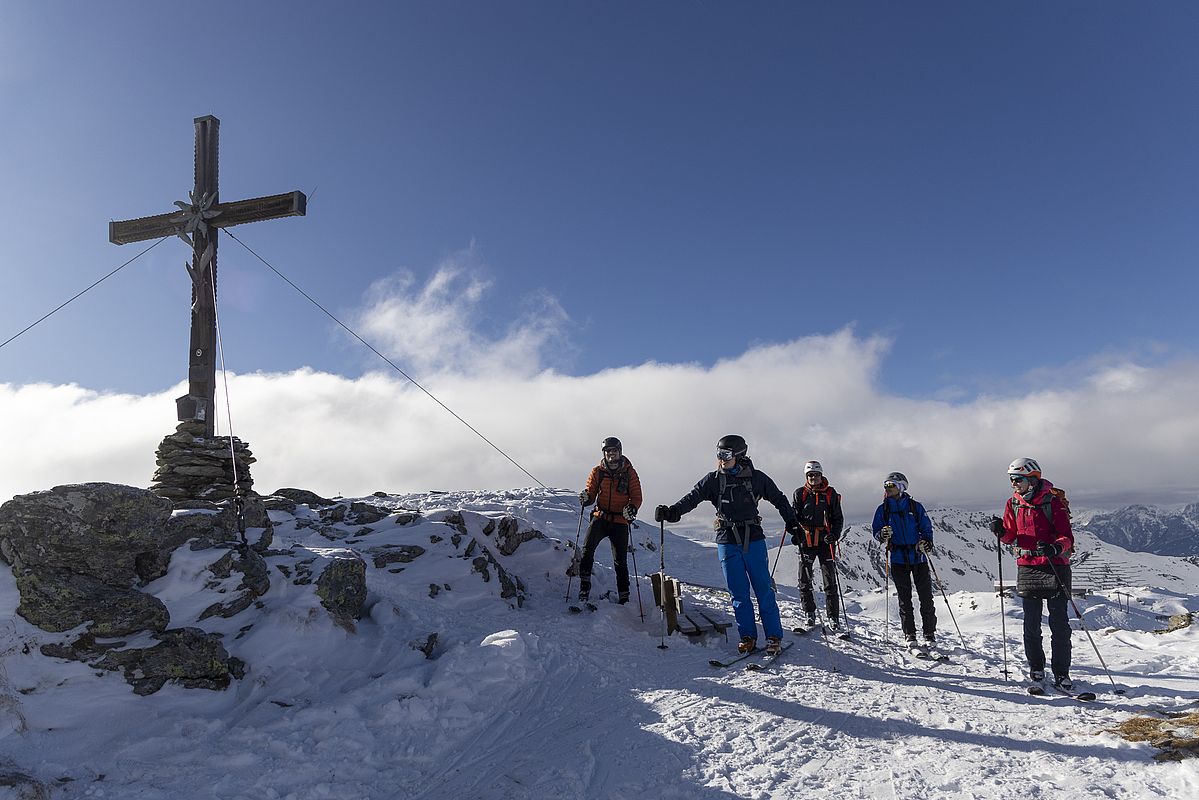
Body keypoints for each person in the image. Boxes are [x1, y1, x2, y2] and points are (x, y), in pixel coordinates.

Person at [655, 435, 801, 656]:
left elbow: (779, 499)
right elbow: (692, 498)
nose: (721, 459)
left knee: (763, 590)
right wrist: (672, 512)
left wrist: (792, 523)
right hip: (726, 539)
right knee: (738, 593)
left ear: (739, 455)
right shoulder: (713, 480)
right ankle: (748, 637)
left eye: (726, 455)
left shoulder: (757, 478)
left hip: (753, 538)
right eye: (718, 454)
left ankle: (773, 637)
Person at [990, 457, 1075, 688]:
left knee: (1059, 624)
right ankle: (1036, 668)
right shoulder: (1013, 503)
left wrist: (1054, 547)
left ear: (1032, 479)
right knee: (1031, 624)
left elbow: (1066, 537)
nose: (1013, 484)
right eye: (1011, 480)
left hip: (1055, 566)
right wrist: (1000, 532)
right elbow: (1010, 536)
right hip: (1027, 565)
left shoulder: (1052, 503)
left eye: (1017, 479)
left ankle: (1061, 672)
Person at [872, 471, 938, 653]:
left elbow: (926, 528)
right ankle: (910, 634)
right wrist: (881, 535)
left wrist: (927, 541)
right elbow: (876, 530)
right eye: (886, 486)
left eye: (891, 485)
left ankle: (929, 634)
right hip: (898, 558)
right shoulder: (883, 509)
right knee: (904, 598)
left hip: (918, 556)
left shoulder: (915, 507)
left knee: (926, 597)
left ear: (901, 487)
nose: (887, 489)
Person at [577, 437, 642, 604]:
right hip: (601, 517)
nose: (611, 454)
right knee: (587, 550)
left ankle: (624, 594)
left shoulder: (629, 472)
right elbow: (591, 493)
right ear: (604, 454)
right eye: (608, 451)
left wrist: (632, 508)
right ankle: (584, 586)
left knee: (620, 560)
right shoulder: (597, 472)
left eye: (614, 451)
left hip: (620, 521)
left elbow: (636, 496)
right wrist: (586, 498)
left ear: (620, 452)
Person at [791, 460, 845, 630]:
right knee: (804, 579)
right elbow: (794, 517)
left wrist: (834, 535)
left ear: (821, 475)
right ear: (806, 476)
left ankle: (833, 617)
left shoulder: (830, 494)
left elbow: (838, 518)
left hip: (825, 542)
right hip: (806, 540)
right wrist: (796, 534)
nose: (813, 478)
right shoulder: (800, 494)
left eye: (816, 474)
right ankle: (809, 612)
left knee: (829, 579)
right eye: (810, 475)